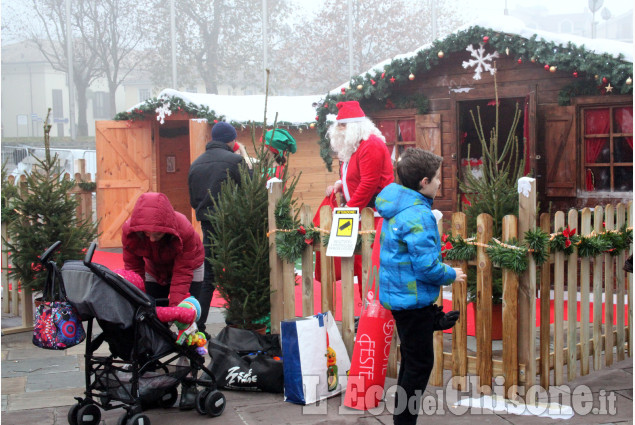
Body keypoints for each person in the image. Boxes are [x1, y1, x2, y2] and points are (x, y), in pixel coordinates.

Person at [375, 148, 466, 425]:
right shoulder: (418, 215)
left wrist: (431, 318)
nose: (440, 183)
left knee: (413, 359)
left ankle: (403, 420)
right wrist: (452, 274)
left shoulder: (399, 205)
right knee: (419, 364)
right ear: (424, 182)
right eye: (437, 178)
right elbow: (426, 267)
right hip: (410, 300)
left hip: (404, 299)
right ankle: (404, 422)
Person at [314, 100, 394, 298]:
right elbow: (354, 177)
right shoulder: (353, 148)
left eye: (343, 125)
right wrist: (340, 184)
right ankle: (367, 310)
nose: (339, 130)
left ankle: (379, 313)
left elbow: (368, 183)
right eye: (338, 125)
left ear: (355, 126)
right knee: (361, 266)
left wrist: (348, 209)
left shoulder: (371, 145)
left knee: (373, 265)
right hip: (360, 215)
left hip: (374, 215)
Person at [188, 121, 247, 327]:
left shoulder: (196, 164)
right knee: (238, 271)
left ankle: (199, 325)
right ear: (231, 140)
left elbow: (193, 200)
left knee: (208, 276)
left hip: (208, 225)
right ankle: (237, 323)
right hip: (234, 224)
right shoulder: (235, 161)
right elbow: (250, 190)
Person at [121, 192, 206, 321]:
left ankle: (191, 335)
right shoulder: (130, 232)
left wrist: (176, 312)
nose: (152, 240)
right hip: (154, 268)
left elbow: (182, 273)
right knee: (152, 313)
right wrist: (137, 302)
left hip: (190, 266)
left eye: (158, 234)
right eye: (147, 234)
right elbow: (134, 270)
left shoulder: (184, 229)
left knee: (186, 313)